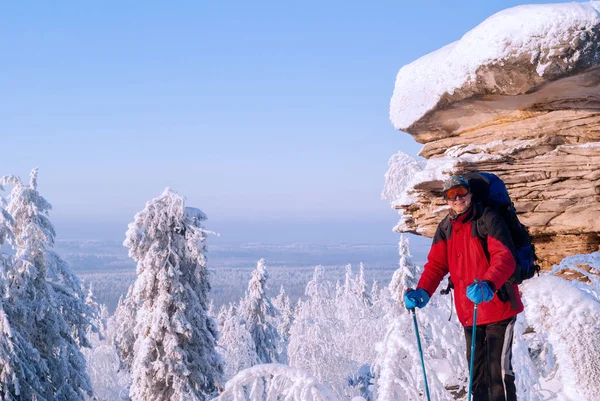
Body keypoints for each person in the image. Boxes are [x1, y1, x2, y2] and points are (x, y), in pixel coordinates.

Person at [404, 175, 523, 401]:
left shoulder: (488, 219)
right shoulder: (446, 228)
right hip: (471, 313)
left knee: (498, 373)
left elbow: (504, 257)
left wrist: (489, 284)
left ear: (470, 194)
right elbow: (436, 266)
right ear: (446, 200)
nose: (457, 198)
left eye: (461, 192)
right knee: (477, 377)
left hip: (499, 306)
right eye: (451, 194)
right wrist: (423, 292)